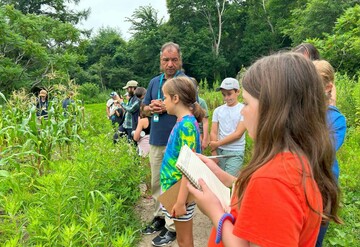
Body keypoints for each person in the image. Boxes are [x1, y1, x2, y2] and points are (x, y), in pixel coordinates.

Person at [188, 52, 341, 247]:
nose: (242, 112)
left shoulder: (273, 180)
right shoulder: (296, 160)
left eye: (246, 103)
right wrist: (221, 175)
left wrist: (215, 211)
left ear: (273, 110)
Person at [142, 42, 188, 246]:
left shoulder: (185, 82)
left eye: (174, 60)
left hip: (176, 141)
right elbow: (143, 110)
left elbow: (194, 109)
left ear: (180, 61)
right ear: (160, 62)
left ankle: (172, 226)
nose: (170, 64)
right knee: (156, 183)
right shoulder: (154, 83)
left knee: (173, 183)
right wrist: (151, 108)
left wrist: (169, 105)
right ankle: (159, 217)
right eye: (166, 60)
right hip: (156, 139)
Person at [160, 76, 205, 247]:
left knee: (185, 240)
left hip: (180, 192)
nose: (163, 101)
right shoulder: (182, 122)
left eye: (165, 97)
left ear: (175, 98)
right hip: (173, 188)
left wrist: (180, 202)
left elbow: (189, 165)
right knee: (180, 238)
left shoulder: (186, 125)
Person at [313, 60, 346, 247]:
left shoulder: (335, 119)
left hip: (322, 189)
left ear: (328, 86)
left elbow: (321, 152)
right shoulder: (303, 113)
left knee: (314, 239)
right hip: (300, 186)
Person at [209, 78, 246, 176]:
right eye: (223, 94)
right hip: (220, 150)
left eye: (229, 94)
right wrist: (214, 152)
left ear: (237, 92)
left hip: (235, 151)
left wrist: (217, 144)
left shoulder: (243, 110)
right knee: (219, 180)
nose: (226, 98)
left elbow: (238, 134)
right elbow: (213, 132)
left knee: (229, 180)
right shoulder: (218, 111)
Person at [192, 77, 210, 152]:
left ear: (197, 88)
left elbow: (205, 121)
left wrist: (205, 139)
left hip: (199, 134)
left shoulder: (201, 102)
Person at [132, 87, 150, 156]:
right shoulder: (157, 119)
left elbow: (136, 138)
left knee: (145, 165)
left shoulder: (142, 121)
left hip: (144, 148)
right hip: (155, 147)